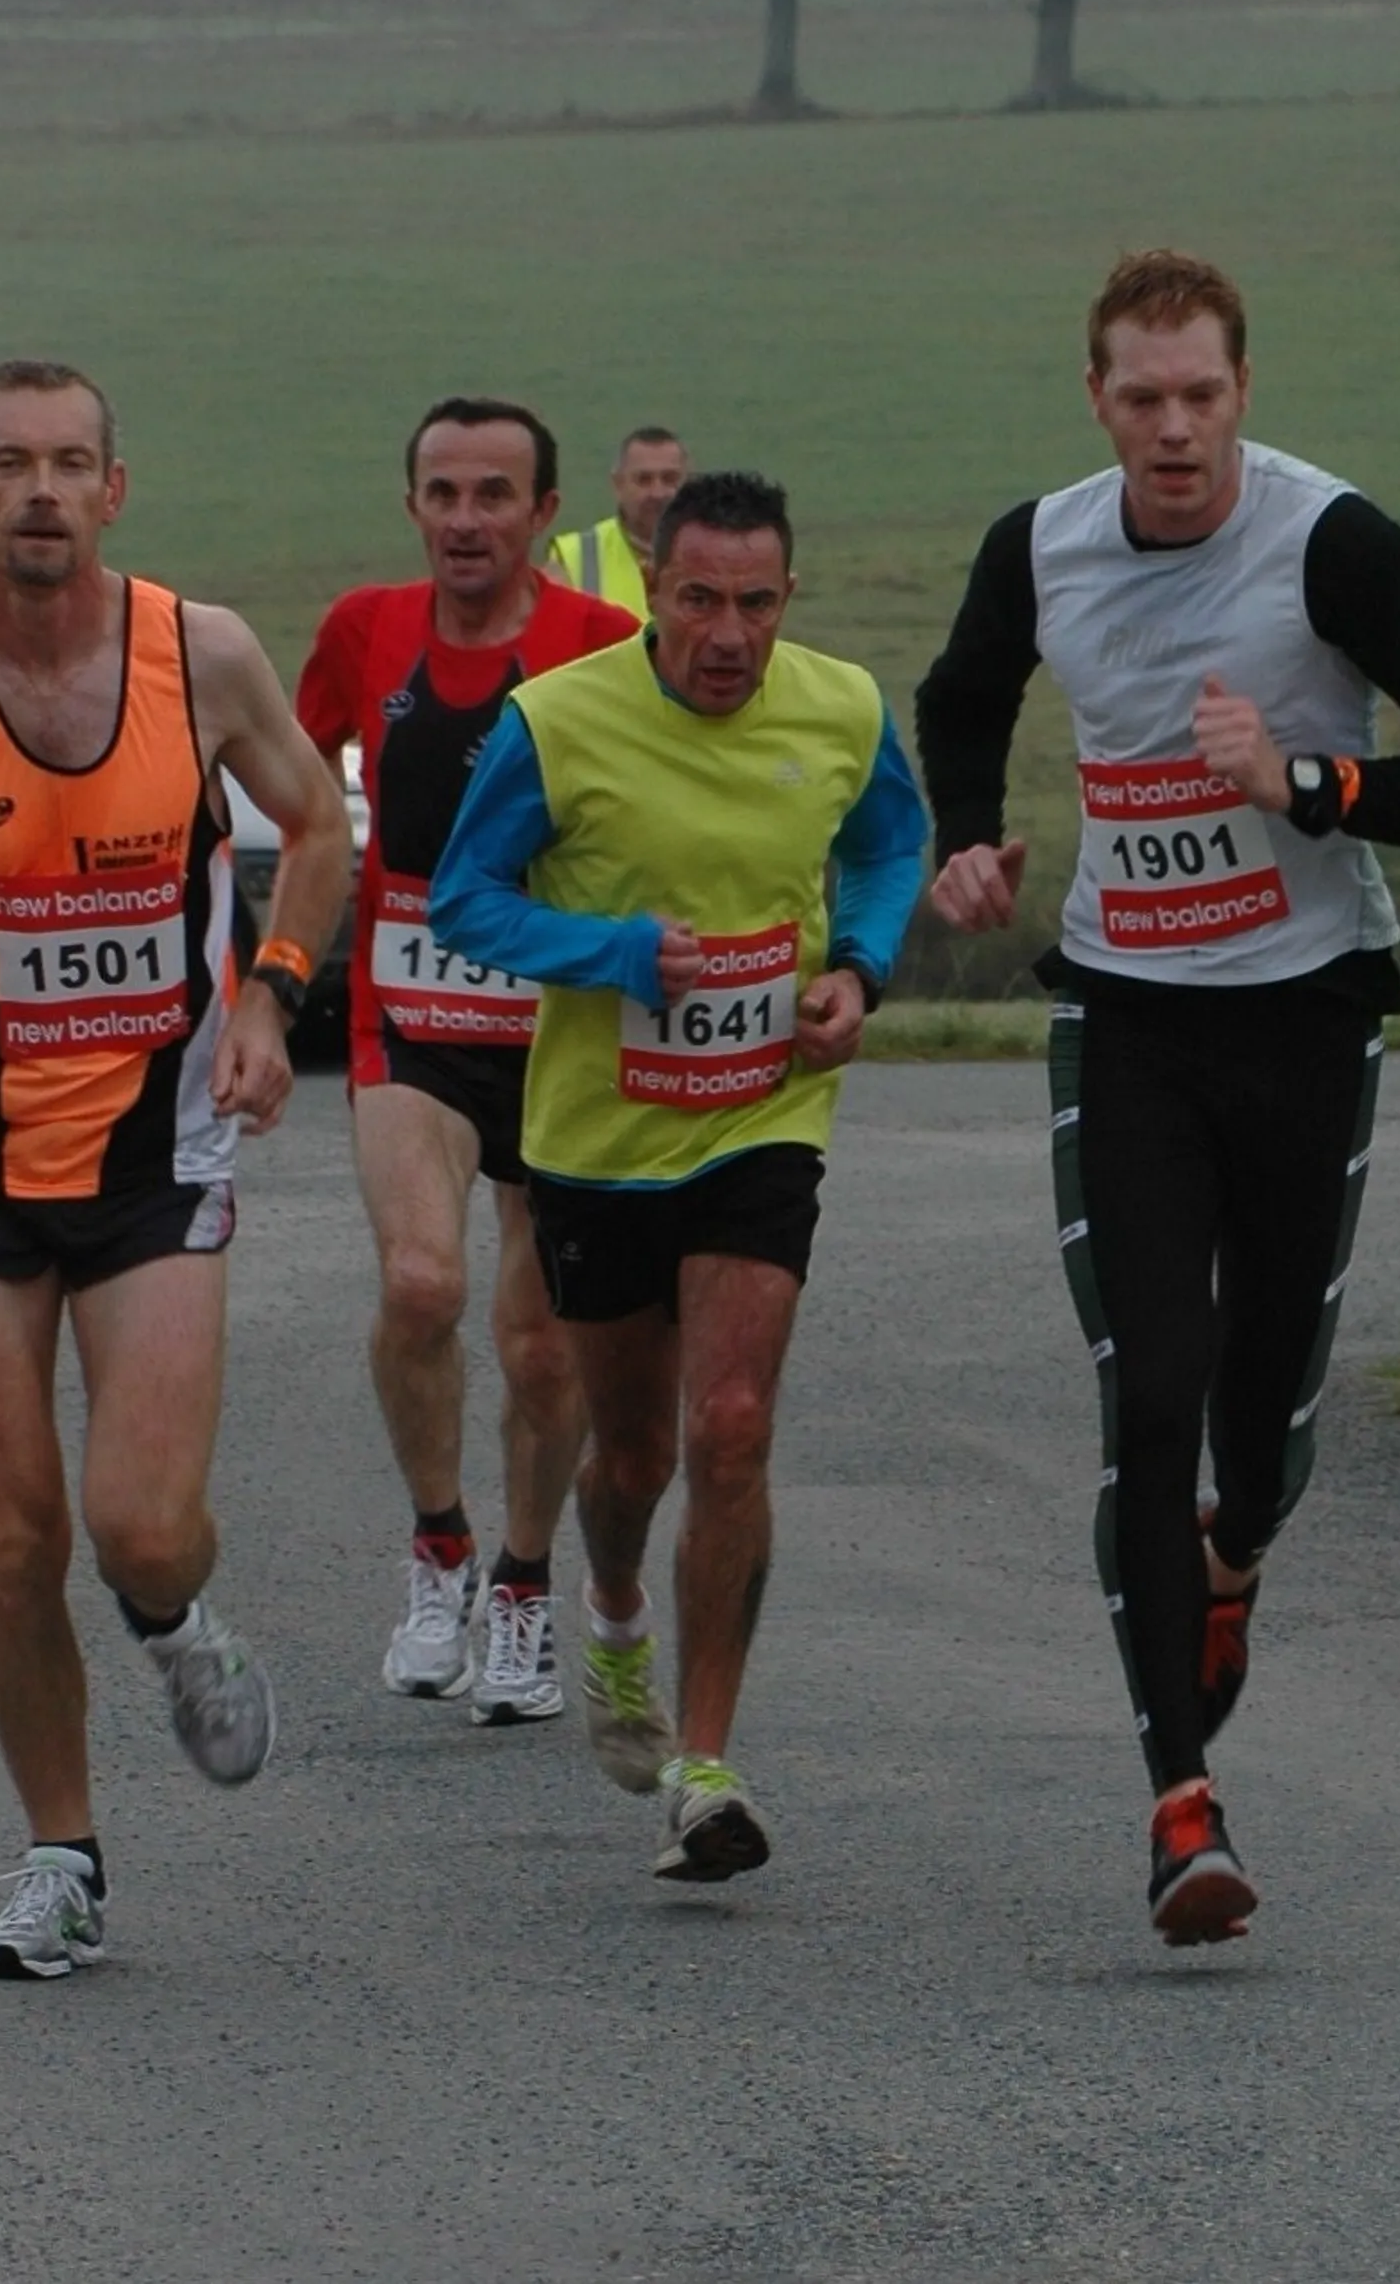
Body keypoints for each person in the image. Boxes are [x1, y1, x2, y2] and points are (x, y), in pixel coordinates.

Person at [915, 250, 1400, 1947]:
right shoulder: (1038, 546)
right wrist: (964, 838)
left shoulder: (1333, 543)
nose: (1174, 426)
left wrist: (1309, 781)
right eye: (1142, 396)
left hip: (1307, 1015)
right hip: (1127, 1015)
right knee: (1150, 1390)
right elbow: (959, 699)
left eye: (1202, 394)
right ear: (1097, 399)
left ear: (1243, 392)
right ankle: (1181, 1808)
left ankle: (1239, 1548)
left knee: (1256, 1415)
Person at [0, 359, 352, 1979]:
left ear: (116, 487)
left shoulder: (203, 652)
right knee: (13, 1529)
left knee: (140, 1522)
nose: (42, 490)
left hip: (158, 1142)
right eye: (10, 465)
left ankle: (174, 1625)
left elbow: (319, 830)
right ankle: (61, 1856)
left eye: (71, 463)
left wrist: (269, 995)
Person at [431, 469, 926, 1879]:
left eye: (756, 602)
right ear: (655, 587)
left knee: (731, 1423)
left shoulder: (839, 706)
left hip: (765, 1114)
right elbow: (466, 898)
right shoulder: (559, 718)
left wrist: (861, 967)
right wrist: (622, 954)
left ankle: (704, 1767)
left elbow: (888, 841)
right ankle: (610, 1609)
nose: (728, 631)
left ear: (789, 598)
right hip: (598, 1137)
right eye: (700, 598)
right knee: (634, 1451)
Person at [295, 399, 641, 1727]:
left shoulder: (605, 646)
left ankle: (523, 1581)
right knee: (422, 1280)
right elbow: (286, 774)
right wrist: (262, 974)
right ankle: (439, 1543)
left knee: (545, 1349)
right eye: (442, 492)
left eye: (495, 493)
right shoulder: (361, 631)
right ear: (413, 509)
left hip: (558, 1033)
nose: (466, 519)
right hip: (411, 1015)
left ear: (545, 514)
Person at [545, 427, 690, 613]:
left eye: (670, 479)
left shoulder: (714, 552)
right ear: (618, 485)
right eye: (643, 480)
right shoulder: (572, 558)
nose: (658, 493)